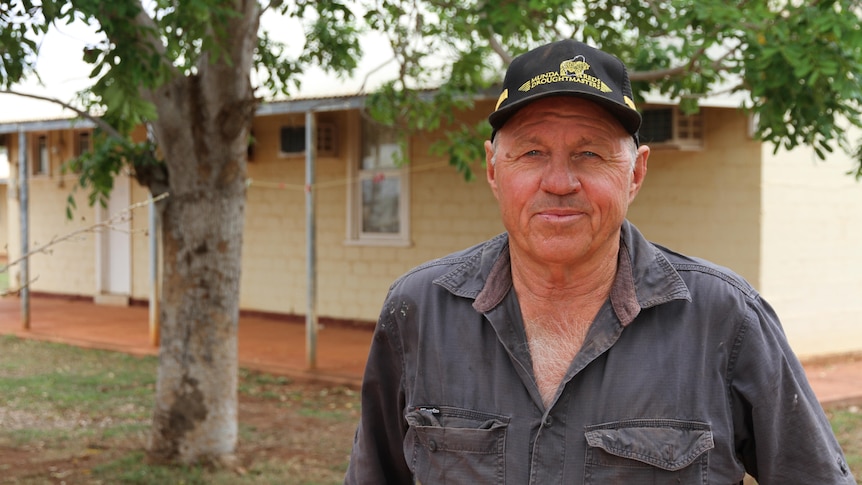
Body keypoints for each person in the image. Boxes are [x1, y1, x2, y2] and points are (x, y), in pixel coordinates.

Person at [344, 39, 856, 484]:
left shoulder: (726, 319)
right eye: (531, 153)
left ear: (635, 174)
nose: (560, 182)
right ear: (493, 170)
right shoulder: (419, 311)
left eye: (590, 154)